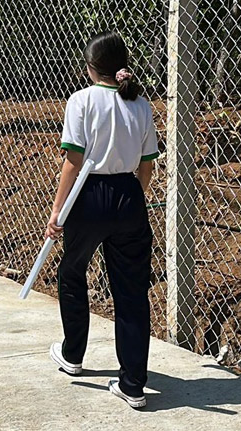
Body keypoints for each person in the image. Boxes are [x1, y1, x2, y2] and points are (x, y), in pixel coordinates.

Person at [46, 32, 160, 409]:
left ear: (91, 68)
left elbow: (73, 162)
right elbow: (147, 164)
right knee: (131, 290)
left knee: (72, 271)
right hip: (129, 194)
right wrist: (132, 198)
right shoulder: (141, 104)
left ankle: (73, 354)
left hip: (88, 193)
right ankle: (133, 384)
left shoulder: (81, 100)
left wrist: (58, 212)